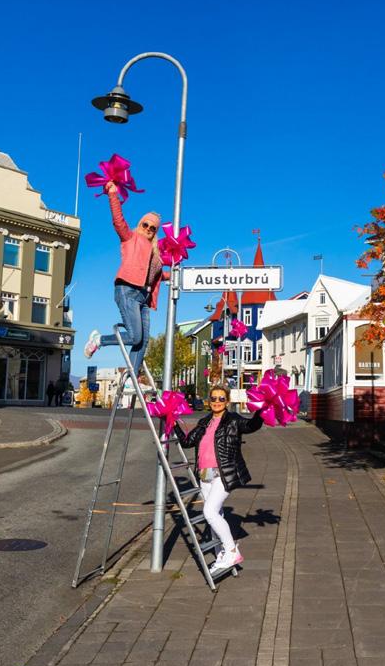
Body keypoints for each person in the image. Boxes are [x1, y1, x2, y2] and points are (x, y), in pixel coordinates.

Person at [175, 383, 263, 575]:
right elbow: (187, 442)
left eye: (221, 398)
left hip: (224, 473)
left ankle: (231, 551)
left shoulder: (233, 420)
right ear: (209, 401)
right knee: (216, 515)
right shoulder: (204, 421)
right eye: (213, 398)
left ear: (227, 401)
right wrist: (172, 422)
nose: (217, 402)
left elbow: (251, 425)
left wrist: (262, 410)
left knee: (209, 512)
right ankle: (221, 556)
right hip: (204, 475)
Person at [84, 181, 169, 375]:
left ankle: (132, 378)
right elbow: (118, 221)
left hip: (144, 297)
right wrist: (112, 194)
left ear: (156, 232)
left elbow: (154, 275)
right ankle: (98, 340)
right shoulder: (130, 238)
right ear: (140, 224)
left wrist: (173, 275)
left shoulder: (155, 252)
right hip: (128, 290)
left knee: (143, 341)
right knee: (134, 336)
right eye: (146, 224)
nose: (148, 228)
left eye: (153, 228)